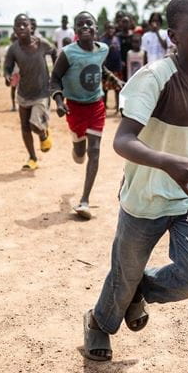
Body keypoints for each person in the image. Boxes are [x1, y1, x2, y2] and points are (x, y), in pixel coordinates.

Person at [81, 0, 188, 362]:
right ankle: (99, 323)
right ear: (173, 36)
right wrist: (168, 163)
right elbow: (123, 140)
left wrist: (187, 165)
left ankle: (137, 290)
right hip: (146, 195)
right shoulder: (154, 78)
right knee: (126, 270)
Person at [51, 11, 123, 219]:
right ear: (75, 30)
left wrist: (115, 80)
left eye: (88, 23)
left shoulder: (103, 49)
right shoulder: (67, 53)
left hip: (96, 106)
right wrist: (59, 102)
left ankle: (84, 200)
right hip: (74, 108)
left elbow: (100, 67)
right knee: (80, 153)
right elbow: (55, 78)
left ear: (96, 29)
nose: (85, 27)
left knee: (95, 151)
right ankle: (76, 146)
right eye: (80, 24)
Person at [5, 13, 55, 170]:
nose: (21, 27)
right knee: (25, 127)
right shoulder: (13, 49)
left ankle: (43, 134)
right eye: (18, 25)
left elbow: (54, 52)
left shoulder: (41, 44)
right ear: (14, 29)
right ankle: (32, 158)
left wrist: (56, 73)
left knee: (34, 125)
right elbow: (7, 67)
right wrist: (7, 76)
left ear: (30, 27)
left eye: (24, 24)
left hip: (42, 92)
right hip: (24, 93)